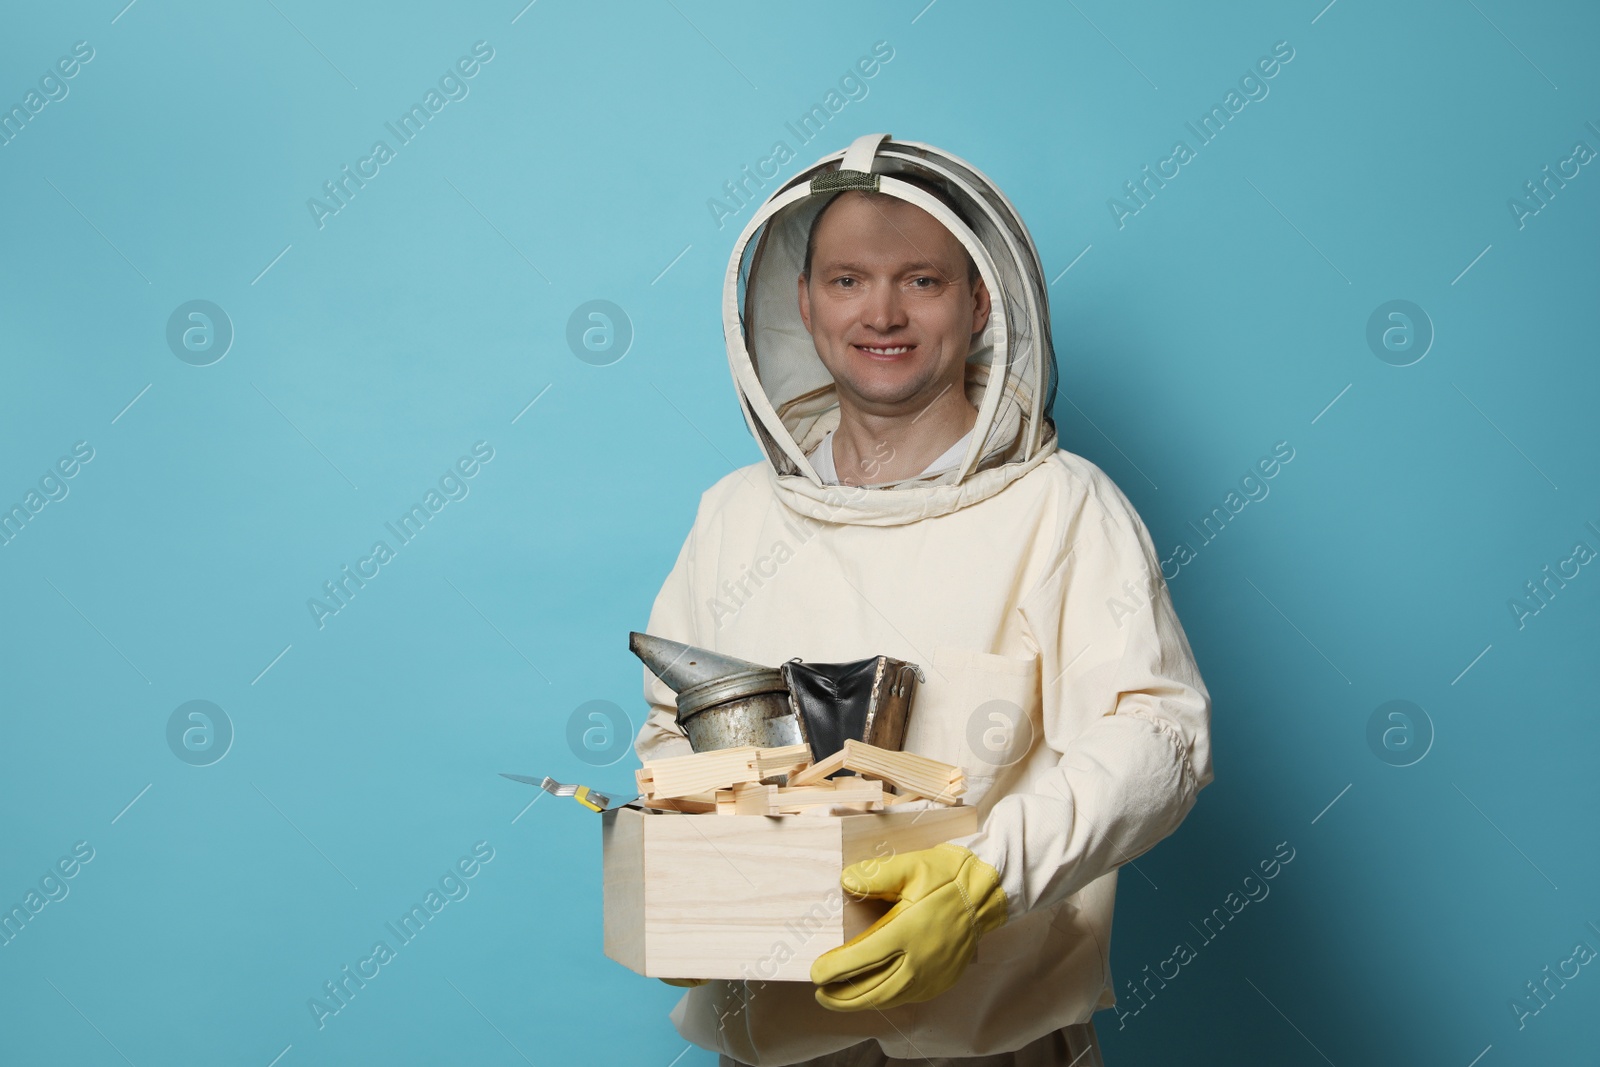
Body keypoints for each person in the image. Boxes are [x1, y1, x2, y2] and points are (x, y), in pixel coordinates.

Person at [634, 134, 1213, 1066]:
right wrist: (681, 873)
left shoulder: (1064, 509)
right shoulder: (734, 515)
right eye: (848, 280)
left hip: (997, 1040)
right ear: (803, 302)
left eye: (923, 280)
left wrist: (984, 880)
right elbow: (675, 733)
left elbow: (1156, 739)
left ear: (982, 301)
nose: (884, 312)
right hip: (771, 1039)